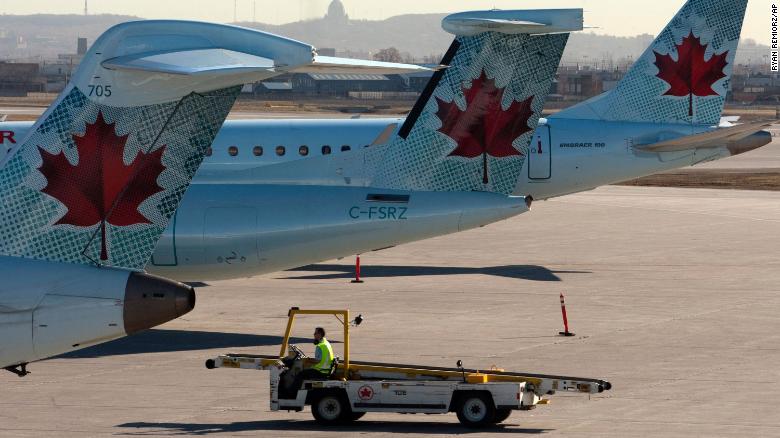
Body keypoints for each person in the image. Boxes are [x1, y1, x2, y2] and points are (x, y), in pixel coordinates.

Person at [284, 327, 334, 398]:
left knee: (301, 374)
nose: (314, 334)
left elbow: (318, 360)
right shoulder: (326, 343)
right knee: (305, 372)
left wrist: (307, 360)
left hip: (321, 372)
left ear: (319, 334)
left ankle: (292, 393)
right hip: (325, 370)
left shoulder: (320, 346)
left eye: (315, 333)